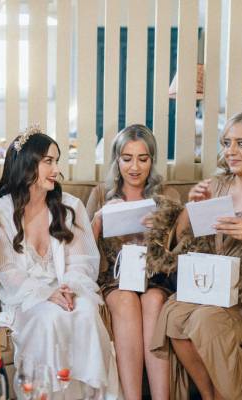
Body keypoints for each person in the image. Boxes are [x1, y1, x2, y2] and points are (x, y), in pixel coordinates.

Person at [146, 109, 242, 400]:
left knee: (206, 321)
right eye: (226, 142)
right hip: (213, 287)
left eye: (241, 143)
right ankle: (209, 395)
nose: (230, 151)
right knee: (173, 313)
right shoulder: (216, 185)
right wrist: (190, 209)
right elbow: (184, 241)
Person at [0, 126, 120, 399]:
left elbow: (84, 261)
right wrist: (47, 294)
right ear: (27, 165)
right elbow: (7, 272)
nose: (56, 169)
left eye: (56, 161)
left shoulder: (71, 206)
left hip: (69, 290)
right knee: (48, 318)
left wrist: (67, 288)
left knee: (85, 314)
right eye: (48, 161)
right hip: (26, 298)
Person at [86, 124, 179, 399]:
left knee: (152, 301)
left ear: (152, 160)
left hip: (156, 277)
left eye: (143, 158)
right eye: (127, 159)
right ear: (117, 160)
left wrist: (163, 227)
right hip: (116, 278)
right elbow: (83, 249)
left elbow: (181, 249)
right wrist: (99, 218)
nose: (135, 167)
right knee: (126, 300)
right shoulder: (101, 194)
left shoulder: (167, 195)